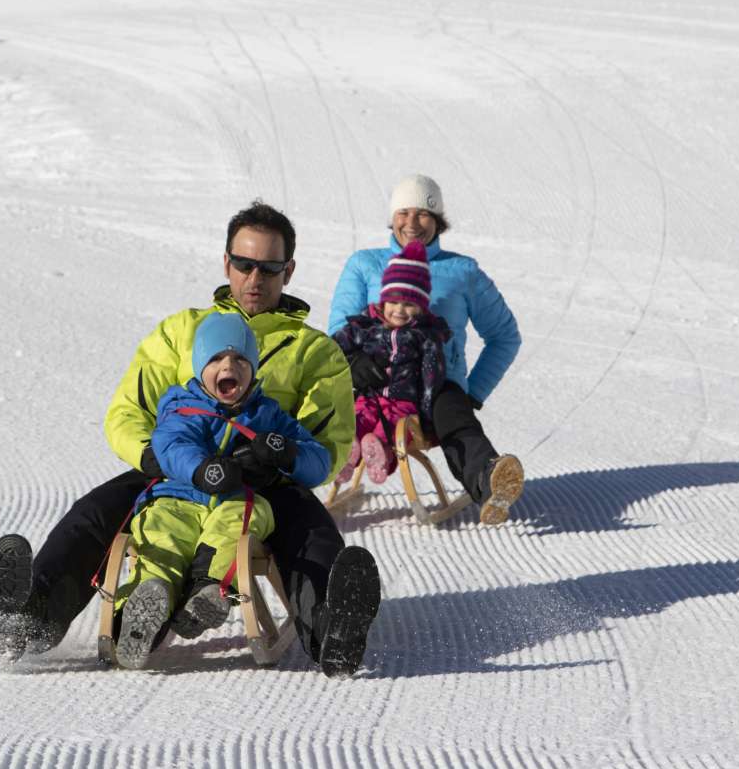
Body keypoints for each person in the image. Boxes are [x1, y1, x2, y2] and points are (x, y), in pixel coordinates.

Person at [0, 201, 381, 678]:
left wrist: (280, 456)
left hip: (263, 479)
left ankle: (333, 629)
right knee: (93, 514)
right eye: (245, 264)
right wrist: (154, 457)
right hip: (176, 470)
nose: (256, 278)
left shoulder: (314, 351)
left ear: (288, 270)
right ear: (226, 262)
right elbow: (128, 410)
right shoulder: (182, 332)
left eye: (270, 267)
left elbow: (327, 440)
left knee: (310, 532)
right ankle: (28, 618)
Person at [114, 312, 330, 669]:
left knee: (240, 524)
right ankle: (145, 604)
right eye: (216, 358)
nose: (229, 366)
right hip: (179, 498)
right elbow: (170, 444)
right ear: (200, 366)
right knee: (161, 537)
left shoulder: (268, 414)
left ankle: (210, 590)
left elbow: (318, 461)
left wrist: (286, 451)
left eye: (241, 359)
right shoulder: (183, 407)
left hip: (237, 500)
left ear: (254, 368)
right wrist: (202, 469)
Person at [328, 174, 525, 524]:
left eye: (423, 213)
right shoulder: (364, 264)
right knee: (352, 415)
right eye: (404, 212)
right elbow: (338, 331)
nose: (412, 223)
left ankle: (490, 480)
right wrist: (353, 364)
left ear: (438, 220)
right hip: (378, 384)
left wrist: (474, 392)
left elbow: (504, 335)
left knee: (457, 419)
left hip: (438, 384)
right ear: (393, 216)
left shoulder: (463, 271)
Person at [331, 239, 451, 485]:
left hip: (403, 403)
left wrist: (428, 418)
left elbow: (432, 377)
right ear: (383, 301)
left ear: (420, 307)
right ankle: (346, 455)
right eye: (394, 302)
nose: (399, 310)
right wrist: (347, 360)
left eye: (409, 304)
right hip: (368, 397)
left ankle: (381, 455)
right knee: (353, 419)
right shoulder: (365, 326)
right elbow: (333, 348)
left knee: (392, 430)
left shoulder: (424, 336)